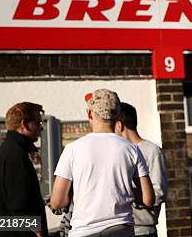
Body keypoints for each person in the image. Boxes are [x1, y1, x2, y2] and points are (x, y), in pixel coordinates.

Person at [50, 89, 155, 237]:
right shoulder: (132, 150)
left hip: (84, 231)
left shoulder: (72, 149)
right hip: (121, 230)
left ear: (89, 114)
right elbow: (148, 199)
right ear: (118, 115)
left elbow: (57, 202)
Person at [0, 102, 48, 237]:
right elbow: (20, 204)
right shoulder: (16, 155)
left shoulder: (2, 152)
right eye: (38, 124)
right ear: (25, 124)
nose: (41, 128)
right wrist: (35, 230)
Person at [115, 102, 168, 237]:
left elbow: (158, 193)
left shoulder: (152, 151)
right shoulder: (117, 152)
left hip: (142, 230)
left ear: (119, 125)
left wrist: (125, 193)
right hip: (119, 230)